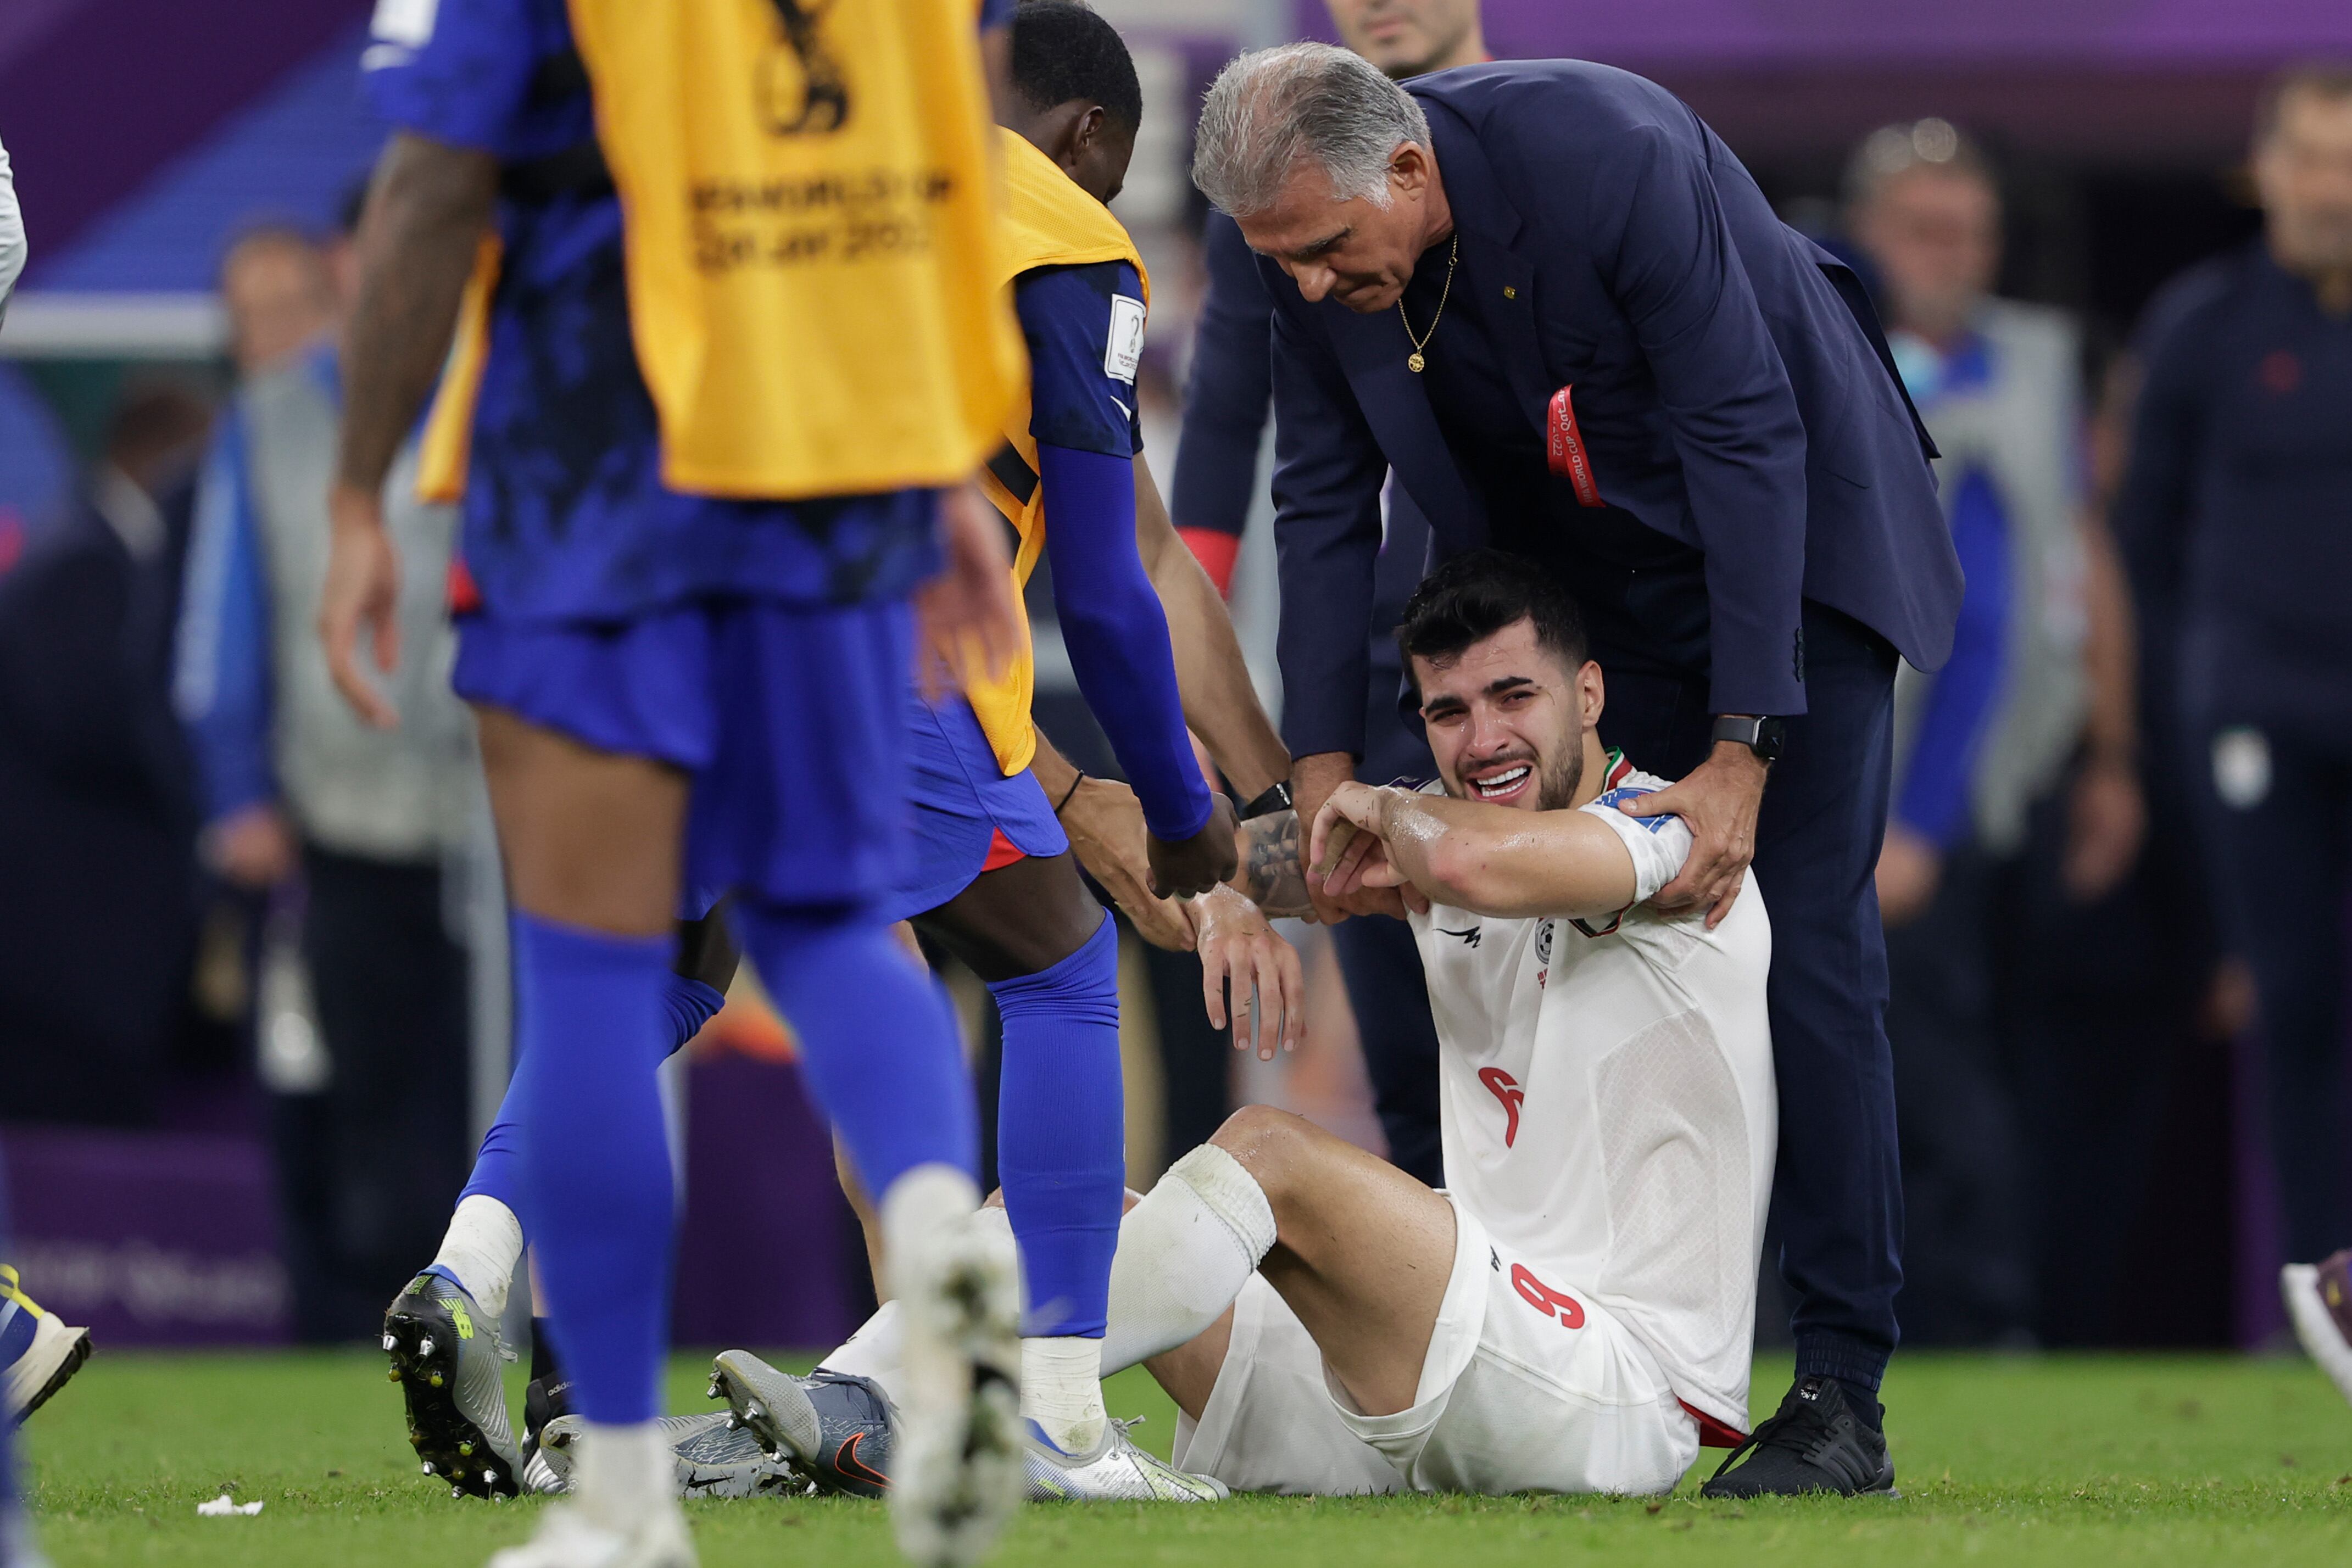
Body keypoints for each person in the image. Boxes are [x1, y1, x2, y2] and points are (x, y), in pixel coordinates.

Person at [386, 0, 1272, 1510]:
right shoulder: (1059, 232)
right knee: (1057, 962)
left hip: (640, 614)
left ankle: (471, 1264)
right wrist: (1184, 814)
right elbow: (1114, 590)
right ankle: (1050, 1397)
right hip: (854, 641)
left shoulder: (766, 161)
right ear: (1098, 140)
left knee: (664, 970)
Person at [1190, 45, 1964, 1495]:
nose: (1302, 289)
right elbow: (1315, 497)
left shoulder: (1608, 152)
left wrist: (1743, 754)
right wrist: (1317, 775)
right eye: (1276, 264)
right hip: (1579, 576)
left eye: (1325, 253)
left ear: (1408, 173)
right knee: (1472, 922)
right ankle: (1459, 1313)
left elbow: (1747, 434)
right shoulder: (1312, 243)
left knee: (1799, 946)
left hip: (1792, 560)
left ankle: (1842, 1388)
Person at [331, 0, 1037, 1563]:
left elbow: (435, 183)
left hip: (593, 489)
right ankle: (945, 1274)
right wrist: (945, 457)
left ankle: (627, 1503)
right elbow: (938, 160)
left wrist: (354, 492)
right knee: (837, 926)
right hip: (836, 480)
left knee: (594, 983)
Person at [694, 550, 1777, 1500]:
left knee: (1269, 1154)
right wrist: (1220, 897)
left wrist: (1378, 804)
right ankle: (819, 1426)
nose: (1481, 738)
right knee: (1063, 1216)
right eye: (1447, 712)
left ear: (1587, 694)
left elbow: (1463, 859)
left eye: (1512, 698)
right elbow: (1216, 868)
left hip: (1623, 1396)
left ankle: (904, 1400)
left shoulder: (1669, 842)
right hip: (1435, 1381)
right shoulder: (1441, 841)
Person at [1170, 0, 1491, 1188]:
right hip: (1364, 649)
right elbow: (1221, 419)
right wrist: (1182, 676)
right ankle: (1438, 1319)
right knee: (1405, 1035)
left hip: (1527, 651)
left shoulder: (1548, 149)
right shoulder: (1274, 170)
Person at [1843, 121, 2145, 1346]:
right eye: (1923, 229)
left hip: (1986, 780)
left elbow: (2066, 568)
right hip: (1843, 770)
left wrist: (2112, 755)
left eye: (1968, 232)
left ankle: (1981, 1320)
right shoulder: (1826, 345)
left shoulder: (2033, 360)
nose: (1949, 254)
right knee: (1882, 1062)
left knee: (1969, 1065)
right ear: (1870, 236)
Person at [175, 204, 483, 1343]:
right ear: (345, 268)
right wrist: (236, 789)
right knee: (364, 1090)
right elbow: (225, 623)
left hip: (499, 817)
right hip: (343, 812)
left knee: (497, 1078)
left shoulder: (493, 386)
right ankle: (376, 1321)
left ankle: (500, 1306)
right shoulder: (272, 415)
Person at [2107, 64, 2352, 1365]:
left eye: (2346, 160)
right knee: (2291, 1002)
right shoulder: (2202, 324)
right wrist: (2175, 706)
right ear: (2265, 168)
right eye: (2308, 159)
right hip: (2257, 713)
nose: (2327, 189)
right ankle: (2317, 1297)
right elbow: (2139, 543)